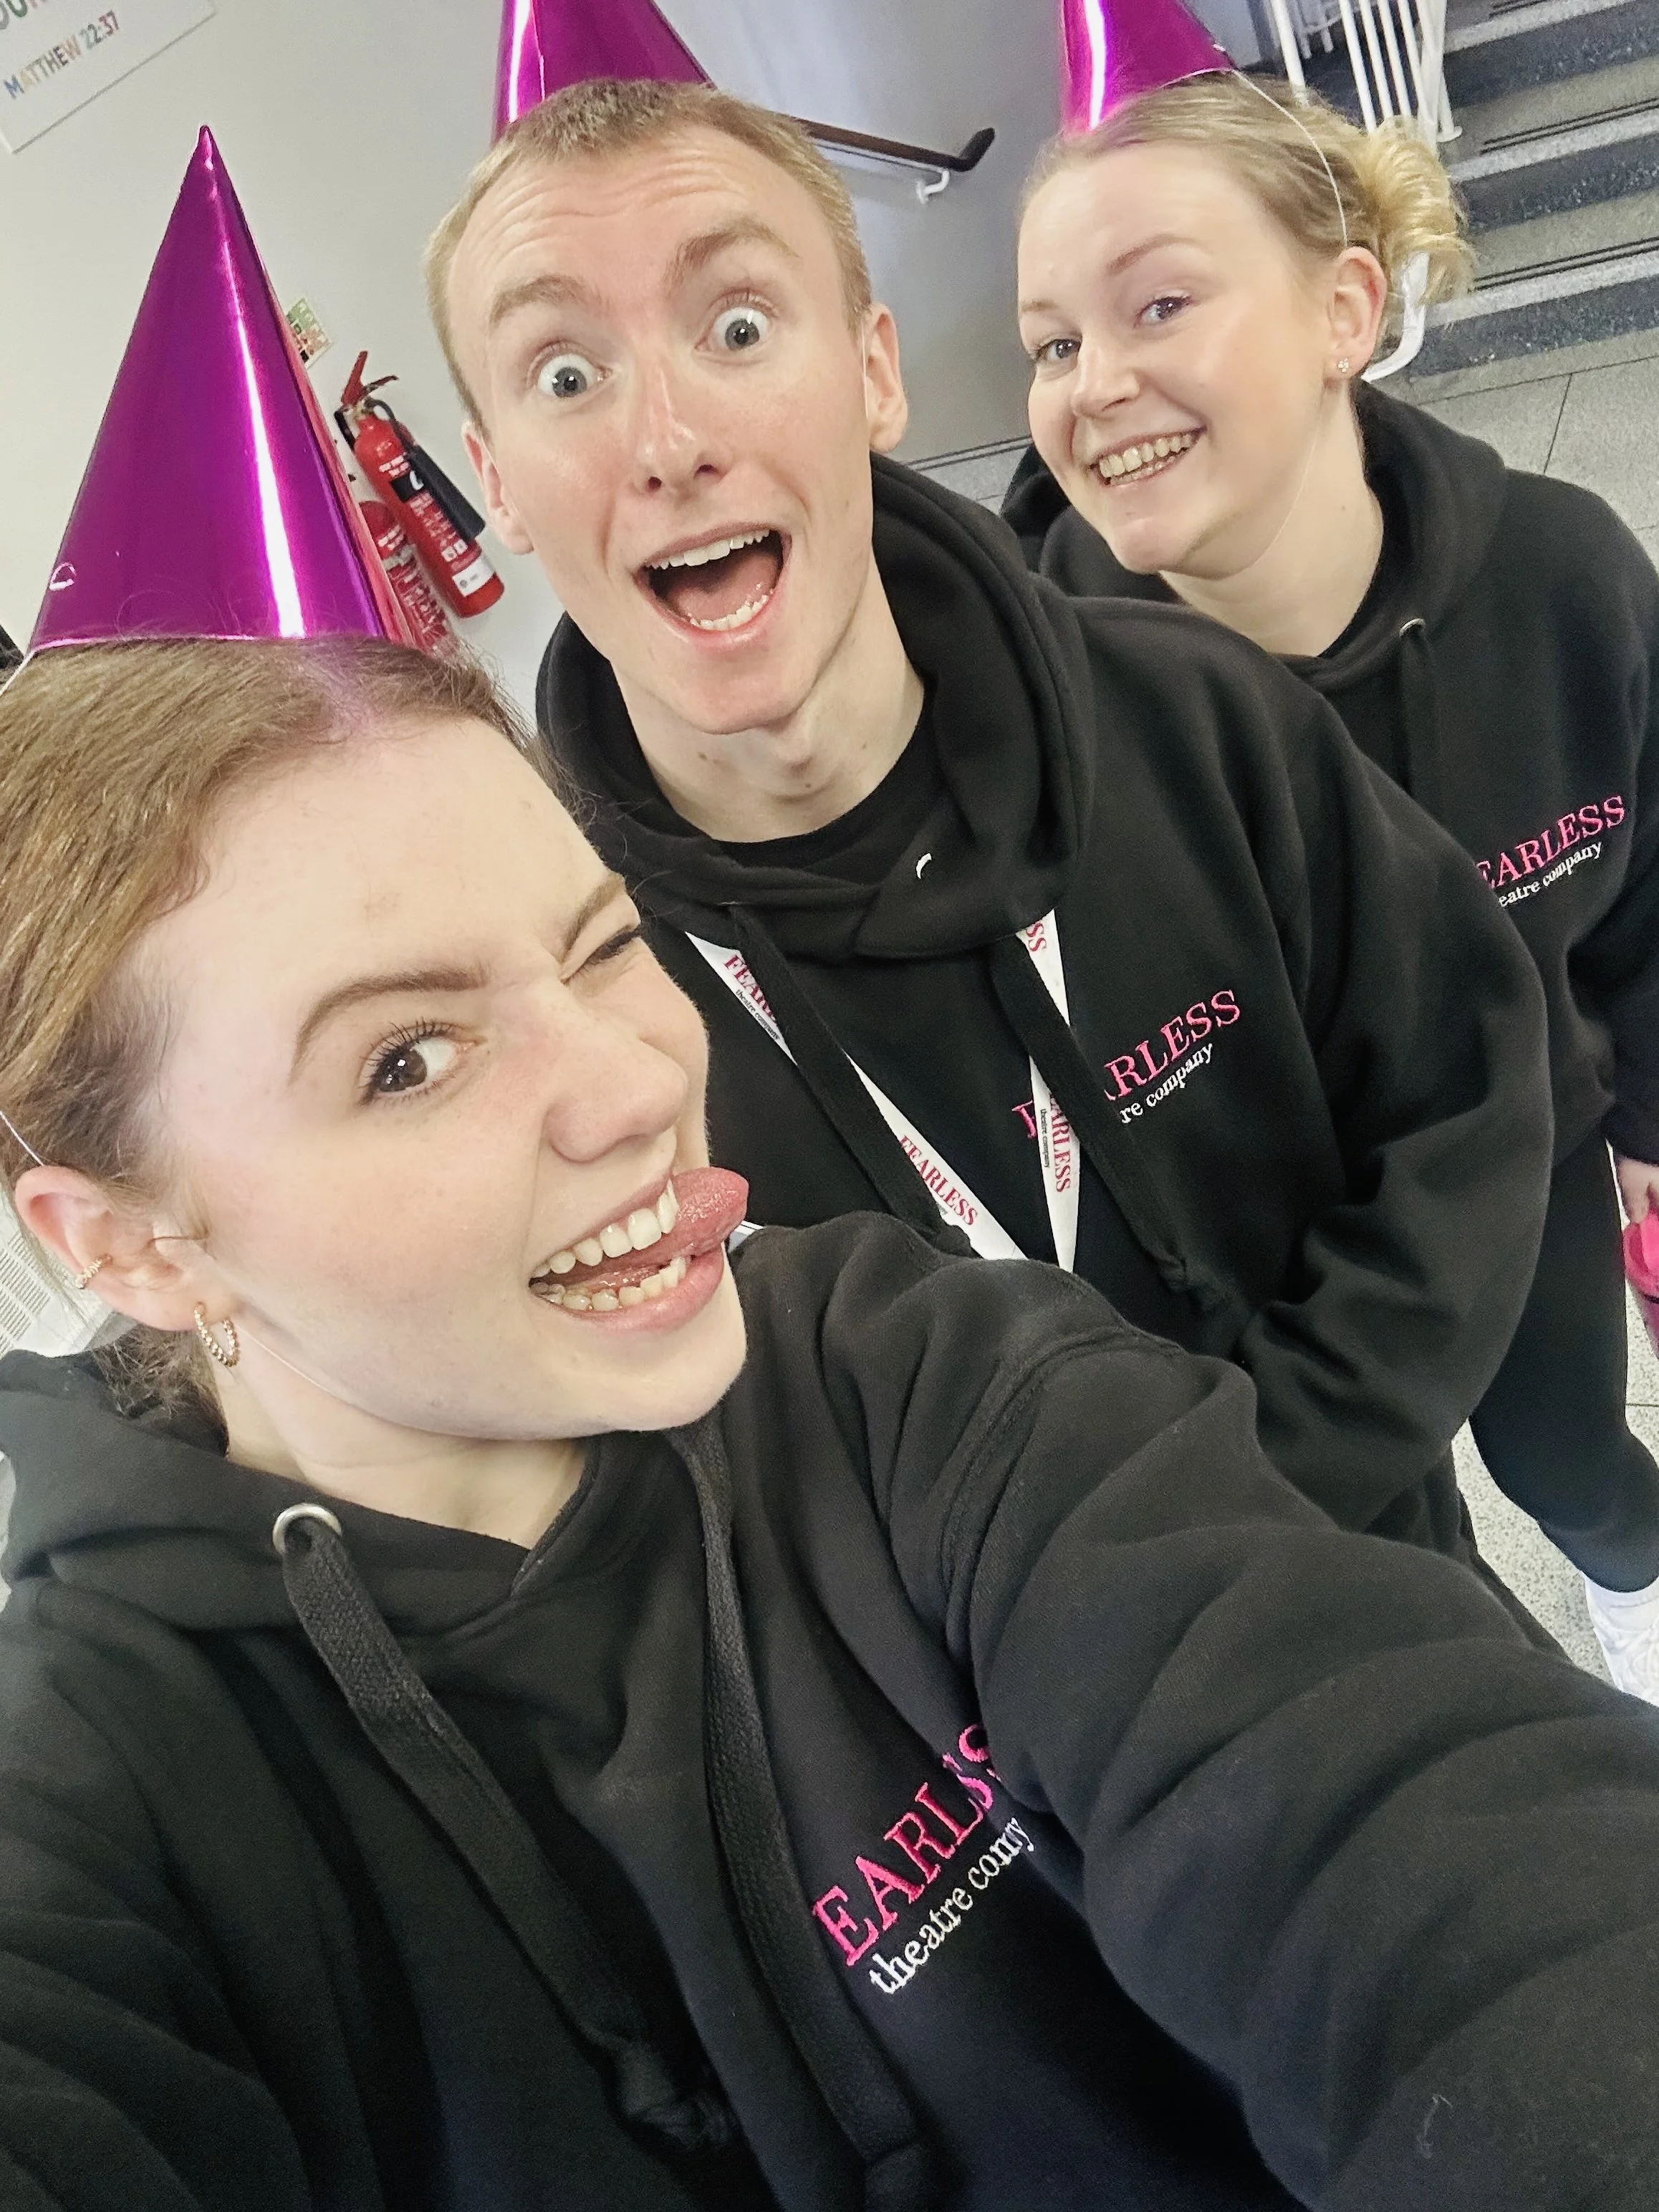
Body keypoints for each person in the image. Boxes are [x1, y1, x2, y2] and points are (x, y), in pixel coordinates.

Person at [10, 631, 1659, 2212]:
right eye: (410, 1057)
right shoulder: (97, 1802)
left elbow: (1424, 1844)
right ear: (129, 1241)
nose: (641, 1082)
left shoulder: (919, 1376)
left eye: (601, 946)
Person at [427, 76, 1552, 1568]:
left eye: (740, 327)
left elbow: (1461, 1096)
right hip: (987, 1779)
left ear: (876, 370)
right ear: (495, 479)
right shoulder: (546, 998)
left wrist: (1266, 1503)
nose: (669, 438)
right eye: (564, 375)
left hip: (1386, 1596)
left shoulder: (1197, 720)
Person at [1004, 72, 1659, 1694]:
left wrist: (1646, 1121)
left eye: (1159, 301)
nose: (1099, 384)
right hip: (1231, 1263)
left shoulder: (1563, 582)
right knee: (1356, 1601)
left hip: (1520, 1160)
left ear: (1344, 307)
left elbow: (1647, 894)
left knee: (1575, 1457)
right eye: (1052, 341)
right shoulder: (1029, 726)